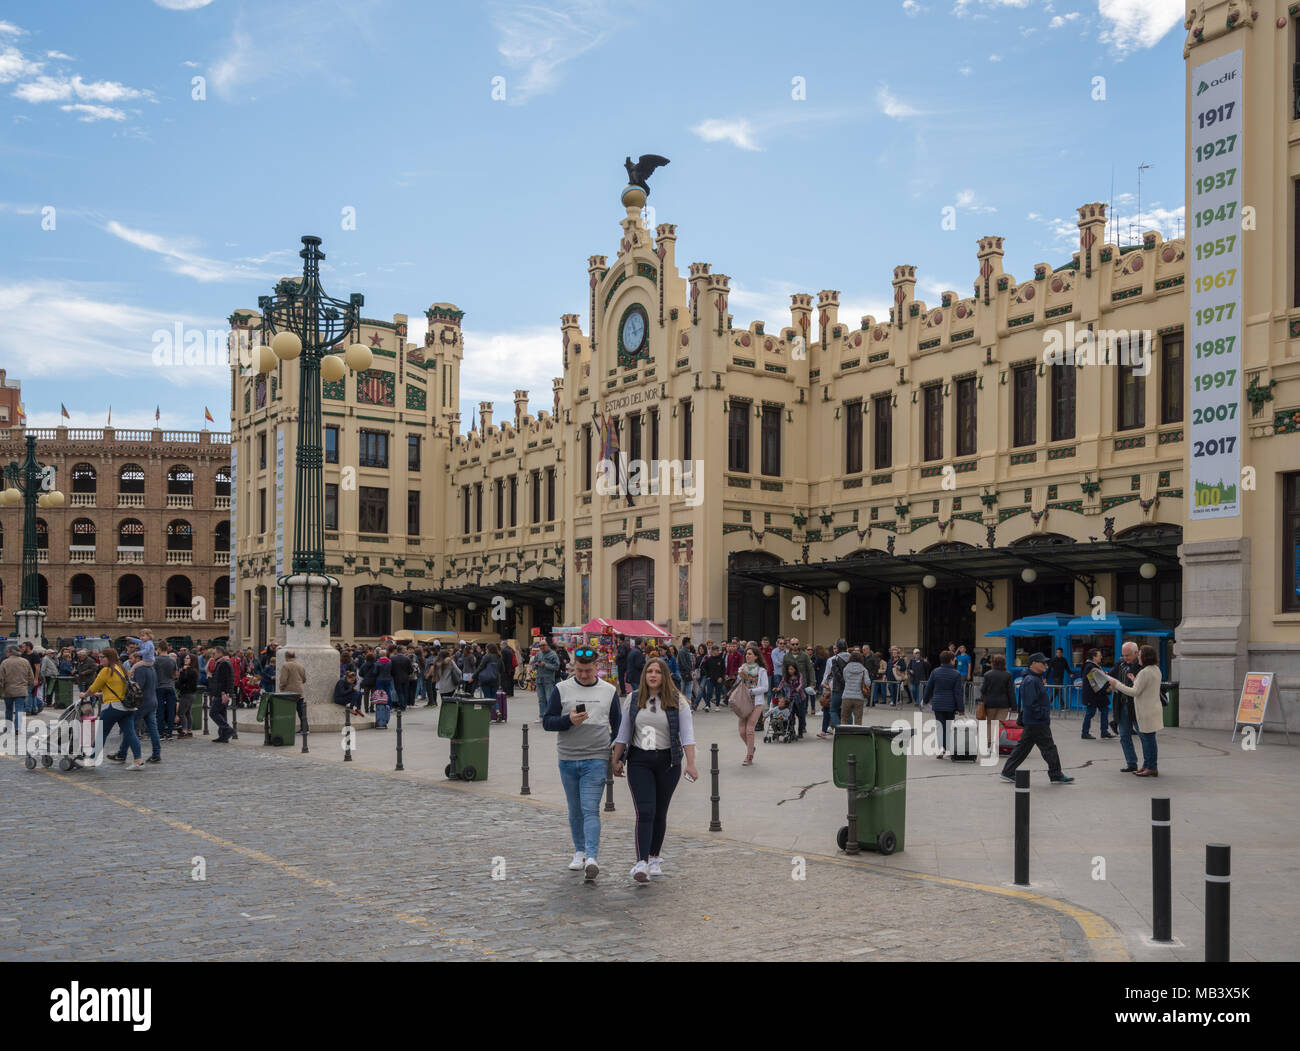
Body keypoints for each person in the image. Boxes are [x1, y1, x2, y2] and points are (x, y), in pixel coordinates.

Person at [612, 657, 698, 881]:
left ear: (665, 675)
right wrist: (616, 758)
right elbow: (623, 732)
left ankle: (653, 857)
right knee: (645, 811)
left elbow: (687, 735)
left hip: (668, 762)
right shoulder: (633, 699)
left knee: (660, 812)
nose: (652, 675)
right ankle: (641, 863)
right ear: (644, 675)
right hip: (640, 760)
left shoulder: (677, 701)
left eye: (657, 672)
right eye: (649, 671)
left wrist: (691, 763)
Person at [543, 645, 621, 881]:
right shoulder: (561, 689)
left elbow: (618, 727)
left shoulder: (609, 691)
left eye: (587, 670)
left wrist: (618, 757)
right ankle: (579, 851)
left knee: (590, 809)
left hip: (596, 758)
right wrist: (568, 720)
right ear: (572, 667)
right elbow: (548, 722)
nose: (583, 675)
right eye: (579, 670)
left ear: (596, 667)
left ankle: (592, 857)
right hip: (567, 758)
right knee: (575, 809)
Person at [1000, 652, 1074, 784]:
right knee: (1049, 748)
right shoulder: (1031, 680)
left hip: (1033, 720)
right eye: (1042, 662)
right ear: (1033, 664)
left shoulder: (1033, 679)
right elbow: (1030, 703)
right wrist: (1042, 714)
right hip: (1037, 721)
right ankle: (1056, 774)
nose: (1046, 665)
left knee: (1022, 748)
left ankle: (1007, 771)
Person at [1106, 644, 1163, 777]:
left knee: (1147, 739)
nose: (1138, 657)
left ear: (1143, 656)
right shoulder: (1155, 669)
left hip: (1144, 710)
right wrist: (1134, 679)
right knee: (1147, 739)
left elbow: (1135, 692)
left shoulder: (1144, 671)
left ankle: (1151, 766)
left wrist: (1117, 684)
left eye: (1139, 654)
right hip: (1150, 709)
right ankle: (1147, 765)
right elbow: (1145, 686)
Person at [88, 649, 144, 769]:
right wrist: (100, 694)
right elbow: (117, 688)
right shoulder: (121, 669)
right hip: (127, 707)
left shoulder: (106, 670)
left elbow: (93, 688)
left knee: (101, 733)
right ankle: (138, 760)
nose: (100, 659)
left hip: (112, 707)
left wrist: (84, 694)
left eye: (102, 657)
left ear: (109, 658)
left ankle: (92, 759)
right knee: (130, 734)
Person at [924, 650, 966, 758]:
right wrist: (961, 709)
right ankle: (947, 748)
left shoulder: (935, 672)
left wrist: (924, 700)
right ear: (951, 661)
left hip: (938, 703)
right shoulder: (956, 674)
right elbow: (958, 693)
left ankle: (941, 748)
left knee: (939, 726)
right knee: (948, 727)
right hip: (950, 705)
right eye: (954, 659)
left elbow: (929, 687)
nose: (955, 661)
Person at [1109, 641, 1142, 772]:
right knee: (1124, 736)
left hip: (1136, 706)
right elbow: (1110, 675)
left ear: (1136, 653)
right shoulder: (1120, 663)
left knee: (1143, 735)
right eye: (1123, 655)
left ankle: (1148, 765)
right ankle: (1131, 763)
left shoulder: (1141, 665)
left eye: (1128, 655)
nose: (1125, 658)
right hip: (1122, 704)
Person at [731, 644, 767, 764]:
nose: (747, 656)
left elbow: (765, 687)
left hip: (756, 702)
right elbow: (738, 684)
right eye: (746, 654)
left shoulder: (762, 671)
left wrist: (751, 691)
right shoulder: (742, 668)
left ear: (756, 656)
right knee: (742, 731)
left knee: (750, 729)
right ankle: (751, 748)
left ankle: (749, 755)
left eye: (750, 654)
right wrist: (739, 678)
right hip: (744, 702)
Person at [978, 653, 1015, 754]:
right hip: (1004, 703)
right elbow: (1011, 691)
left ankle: (989, 743)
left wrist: (980, 701)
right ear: (1004, 663)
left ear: (993, 663)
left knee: (989, 722)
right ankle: (998, 742)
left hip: (990, 703)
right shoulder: (1008, 675)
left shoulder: (987, 674)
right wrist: (1014, 706)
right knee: (1000, 723)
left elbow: (983, 690)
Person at [1079, 647, 1113, 740]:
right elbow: (1095, 681)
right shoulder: (1089, 667)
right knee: (1090, 713)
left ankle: (1104, 732)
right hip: (1092, 695)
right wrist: (1108, 686)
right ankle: (1084, 733)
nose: (1101, 657)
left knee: (1105, 710)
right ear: (1094, 657)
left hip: (1098, 694)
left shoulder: (1093, 666)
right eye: (1099, 655)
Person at [1, 644, 34, 729]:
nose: (6, 653)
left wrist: (1, 688)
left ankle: (8, 727)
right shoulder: (25, 661)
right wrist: (29, 684)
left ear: (10, 652)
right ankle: (17, 728)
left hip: (8, 690)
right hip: (21, 690)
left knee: (8, 709)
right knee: (19, 710)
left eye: (7, 651)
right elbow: (31, 676)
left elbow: (1, 678)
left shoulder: (5, 662)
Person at [207, 647, 236, 743]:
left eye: (214, 653)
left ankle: (228, 729)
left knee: (213, 713)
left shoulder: (223, 663)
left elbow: (224, 680)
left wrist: (223, 692)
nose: (213, 655)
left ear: (220, 653)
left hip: (221, 693)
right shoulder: (221, 662)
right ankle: (223, 736)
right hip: (221, 693)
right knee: (222, 714)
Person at [531, 638, 562, 722]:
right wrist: (535, 665)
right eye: (540, 645)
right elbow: (533, 665)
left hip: (548, 680)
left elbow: (556, 667)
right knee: (541, 699)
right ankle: (542, 716)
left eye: (543, 645)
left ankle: (550, 716)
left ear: (548, 645)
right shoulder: (539, 654)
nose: (541, 647)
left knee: (549, 699)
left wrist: (545, 665)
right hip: (539, 679)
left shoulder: (553, 655)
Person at [279, 649, 309, 735]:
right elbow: (304, 679)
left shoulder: (286, 665)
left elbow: (283, 680)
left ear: (286, 657)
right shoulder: (300, 665)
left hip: (288, 692)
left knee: (287, 712)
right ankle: (305, 728)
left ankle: (287, 728)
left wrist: (281, 688)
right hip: (299, 692)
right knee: (301, 711)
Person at [154, 644, 179, 741]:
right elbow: (176, 674)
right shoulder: (172, 660)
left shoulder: (156, 660)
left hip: (159, 687)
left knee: (160, 710)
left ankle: (160, 733)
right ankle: (169, 733)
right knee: (171, 710)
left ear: (159, 649)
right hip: (170, 686)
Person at [839, 649, 868, 727]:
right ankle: (857, 737)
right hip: (859, 697)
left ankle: (844, 736)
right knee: (858, 720)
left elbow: (845, 679)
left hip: (846, 696)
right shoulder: (864, 670)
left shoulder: (846, 668)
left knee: (844, 719)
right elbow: (868, 682)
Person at [175, 653, 198, 738]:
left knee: (181, 713)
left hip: (187, 694)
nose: (185, 659)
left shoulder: (189, 671)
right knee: (187, 713)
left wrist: (183, 672)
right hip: (190, 694)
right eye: (185, 658)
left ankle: (185, 731)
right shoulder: (193, 670)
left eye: (188, 658)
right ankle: (189, 730)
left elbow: (181, 682)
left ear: (192, 661)